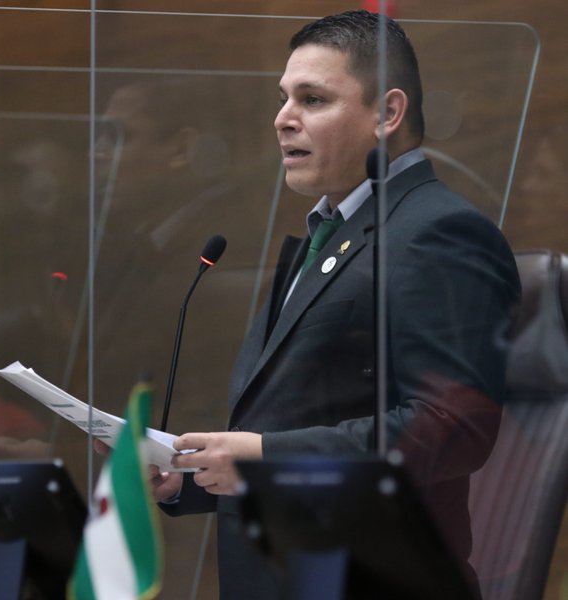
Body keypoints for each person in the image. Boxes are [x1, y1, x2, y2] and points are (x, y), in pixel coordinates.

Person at [149, 10, 521, 598]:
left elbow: (454, 427)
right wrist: (190, 476)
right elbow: (293, 422)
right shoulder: (332, 231)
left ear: (388, 114)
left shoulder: (438, 232)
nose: (283, 118)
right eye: (283, 98)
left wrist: (262, 457)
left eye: (313, 99)